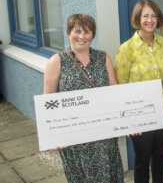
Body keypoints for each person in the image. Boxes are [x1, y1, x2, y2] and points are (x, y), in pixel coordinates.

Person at [43, 14, 124, 183]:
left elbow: (114, 90)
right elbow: (48, 102)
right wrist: (54, 135)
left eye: (87, 32)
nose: (82, 36)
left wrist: (129, 119)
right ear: (68, 34)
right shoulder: (57, 61)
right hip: (74, 137)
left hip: (103, 134)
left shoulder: (103, 58)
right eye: (77, 31)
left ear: (92, 35)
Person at [115, 0, 163, 183]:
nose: (150, 20)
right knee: (142, 159)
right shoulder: (126, 49)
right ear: (138, 19)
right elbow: (121, 86)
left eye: (153, 16)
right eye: (145, 16)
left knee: (160, 155)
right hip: (139, 116)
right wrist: (130, 121)